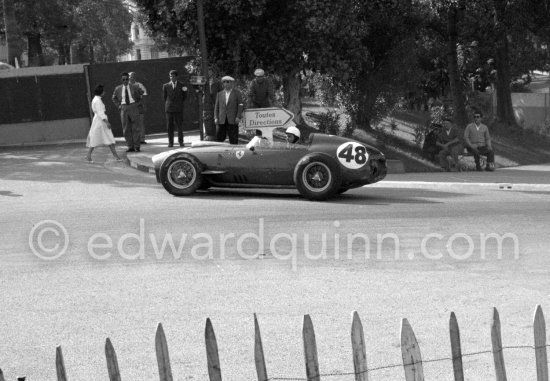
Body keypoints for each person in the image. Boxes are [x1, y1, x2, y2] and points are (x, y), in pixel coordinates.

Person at [86, 84, 121, 163]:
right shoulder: (98, 101)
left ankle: (116, 156)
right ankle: (116, 156)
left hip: (98, 121)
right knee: (108, 138)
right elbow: (100, 112)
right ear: (101, 92)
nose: (104, 92)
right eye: (103, 91)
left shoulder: (95, 99)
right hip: (101, 122)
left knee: (98, 138)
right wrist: (106, 122)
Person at [112, 72, 143, 152]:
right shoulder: (118, 88)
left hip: (133, 106)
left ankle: (137, 146)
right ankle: (130, 146)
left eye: (127, 79)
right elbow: (114, 98)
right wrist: (119, 105)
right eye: (123, 79)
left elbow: (141, 93)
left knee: (135, 127)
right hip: (123, 108)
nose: (125, 81)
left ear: (128, 79)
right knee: (126, 128)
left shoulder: (134, 87)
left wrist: (137, 103)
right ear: (121, 80)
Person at [214, 75, 244, 144]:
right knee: (219, 139)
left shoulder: (237, 93)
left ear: (232, 83)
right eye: (224, 82)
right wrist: (215, 117)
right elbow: (216, 107)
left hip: (233, 119)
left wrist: (238, 116)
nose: (226, 84)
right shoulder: (219, 94)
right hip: (222, 120)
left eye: (228, 82)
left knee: (233, 139)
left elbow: (241, 105)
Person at [163, 69, 188, 147]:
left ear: (176, 77)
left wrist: (179, 103)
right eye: (171, 76)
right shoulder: (165, 86)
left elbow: (184, 96)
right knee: (169, 126)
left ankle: (181, 142)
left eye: (173, 76)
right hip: (169, 109)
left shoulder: (182, 85)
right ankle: (171, 142)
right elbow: (165, 97)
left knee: (179, 126)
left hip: (178, 108)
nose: (172, 78)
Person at [129, 71, 148, 145]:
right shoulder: (125, 86)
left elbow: (145, 95)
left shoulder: (139, 85)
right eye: (130, 76)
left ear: (135, 77)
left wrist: (143, 105)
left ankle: (142, 139)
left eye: (133, 76)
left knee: (140, 124)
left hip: (139, 106)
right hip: (129, 108)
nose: (131, 77)